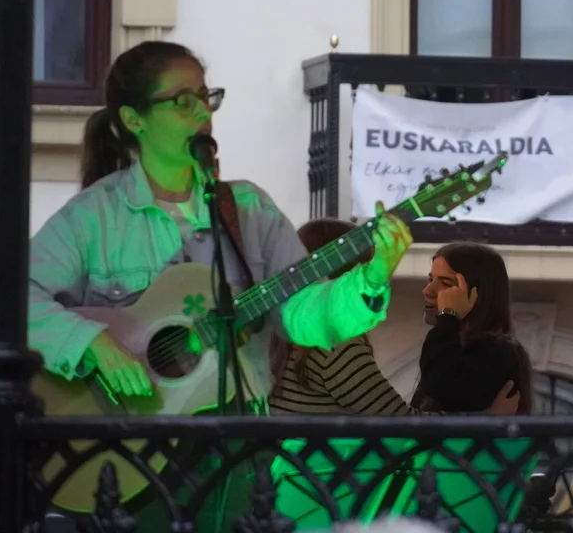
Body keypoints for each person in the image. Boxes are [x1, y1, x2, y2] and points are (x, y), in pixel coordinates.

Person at [26, 41, 413, 532]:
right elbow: (15, 302)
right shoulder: (93, 217)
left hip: (237, 448)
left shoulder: (248, 209)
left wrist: (370, 279)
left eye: (205, 97)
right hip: (124, 451)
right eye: (182, 101)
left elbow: (303, 316)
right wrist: (91, 344)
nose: (202, 113)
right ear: (134, 119)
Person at [269, 219, 519, 417]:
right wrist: (486, 419)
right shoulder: (333, 343)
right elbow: (400, 425)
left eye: (444, 283)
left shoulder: (287, 335)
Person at [412, 242, 534, 415]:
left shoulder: (497, 352)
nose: (427, 290)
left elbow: (441, 383)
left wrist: (448, 316)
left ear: (476, 295)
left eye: (446, 284)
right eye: (431, 280)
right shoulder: (451, 346)